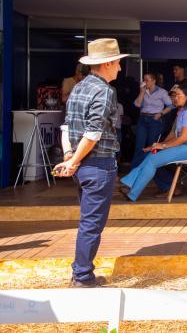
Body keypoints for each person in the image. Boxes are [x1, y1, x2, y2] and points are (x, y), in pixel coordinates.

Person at [54, 38, 129, 287]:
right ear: (107, 64)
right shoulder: (105, 91)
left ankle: (81, 272)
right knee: (92, 224)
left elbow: (67, 126)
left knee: (88, 222)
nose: (120, 67)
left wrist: (69, 156)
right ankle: (83, 276)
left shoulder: (78, 87)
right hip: (97, 165)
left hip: (83, 165)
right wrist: (73, 160)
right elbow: (93, 133)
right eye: (117, 62)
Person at [120, 83, 187, 201]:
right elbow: (173, 134)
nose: (175, 98)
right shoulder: (181, 112)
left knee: (152, 160)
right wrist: (157, 146)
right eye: (174, 95)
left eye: (178, 95)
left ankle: (131, 189)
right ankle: (130, 187)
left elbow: (183, 138)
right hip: (184, 146)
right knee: (150, 154)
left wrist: (163, 146)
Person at [132, 72, 173, 167]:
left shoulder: (162, 92)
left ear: (153, 81)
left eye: (147, 80)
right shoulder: (143, 91)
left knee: (152, 145)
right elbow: (137, 104)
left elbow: (171, 105)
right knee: (139, 145)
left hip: (155, 120)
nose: (144, 82)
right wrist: (142, 92)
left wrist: (161, 114)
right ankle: (135, 169)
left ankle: (149, 167)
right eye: (144, 80)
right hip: (143, 119)